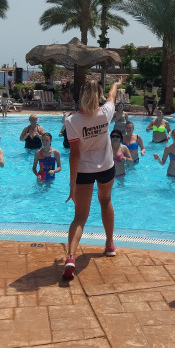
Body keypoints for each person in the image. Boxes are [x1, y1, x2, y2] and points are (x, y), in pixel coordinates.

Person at [62, 77, 124, 280]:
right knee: (105, 201)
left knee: (80, 216)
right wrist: (115, 84)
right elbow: (112, 96)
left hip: (83, 171)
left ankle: (71, 257)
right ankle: (109, 244)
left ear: (82, 96)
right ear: (99, 95)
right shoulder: (105, 113)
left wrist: (72, 183)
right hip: (105, 167)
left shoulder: (72, 121)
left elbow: (74, 154)